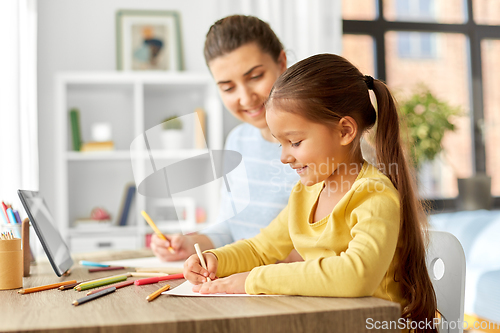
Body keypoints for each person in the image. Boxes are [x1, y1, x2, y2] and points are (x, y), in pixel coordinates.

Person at [184, 54, 439, 331]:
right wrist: (217, 260)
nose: (284, 157)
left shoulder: (374, 197)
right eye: (280, 143)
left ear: (344, 131)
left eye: (294, 142)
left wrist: (252, 280)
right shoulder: (305, 194)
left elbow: (356, 275)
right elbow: (261, 248)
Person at [150, 15, 300, 262]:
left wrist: (249, 258)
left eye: (255, 77)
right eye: (228, 88)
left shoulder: (322, 144)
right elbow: (229, 229)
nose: (245, 97)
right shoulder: (238, 141)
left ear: (281, 62)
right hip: (242, 285)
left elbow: (332, 247)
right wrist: (190, 244)